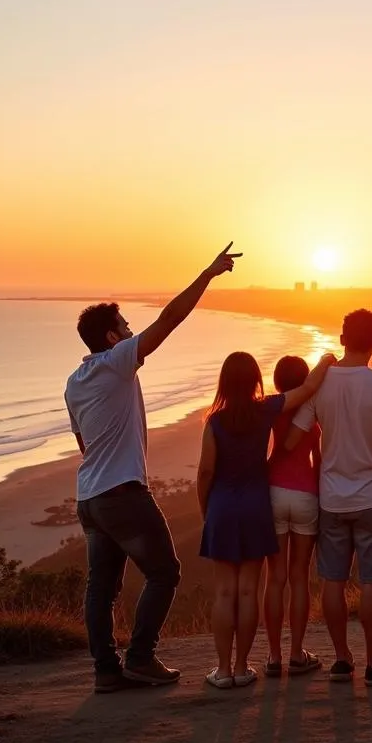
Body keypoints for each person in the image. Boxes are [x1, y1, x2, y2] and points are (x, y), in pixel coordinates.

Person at [64, 243, 239, 694]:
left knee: (100, 589)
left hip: (90, 498)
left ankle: (106, 671)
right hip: (122, 493)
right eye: (124, 326)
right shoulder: (117, 363)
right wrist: (207, 273)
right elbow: (170, 319)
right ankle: (140, 657)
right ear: (110, 338)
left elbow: (83, 443)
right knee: (165, 572)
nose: (131, 331)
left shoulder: (75, 382)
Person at [284, 309, 372, 687]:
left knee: (332, 580)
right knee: (371, 583)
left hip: (331, 500)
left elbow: (293, 438)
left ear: (343, 339)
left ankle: (342, 661)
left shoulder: (322, 385)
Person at [197, 350, 336, 689]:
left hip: (228, 508)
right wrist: (328, 358)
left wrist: (207, 511)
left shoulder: (215, 422)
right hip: (259, 505)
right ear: (257, 381)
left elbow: (205, 472)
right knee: (251, 590)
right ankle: (245, 667)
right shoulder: (265, 411)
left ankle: (224, 669)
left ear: (224, 383)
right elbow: (307, 390)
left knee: (226, 593)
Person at [262, 355, 324, 678]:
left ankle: (273, 657)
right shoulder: (311, 416)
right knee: (299, 576)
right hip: (305, 496)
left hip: (273, 494)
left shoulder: (273, 412)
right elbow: (319, 460)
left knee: (275, 578)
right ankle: (298, 654)